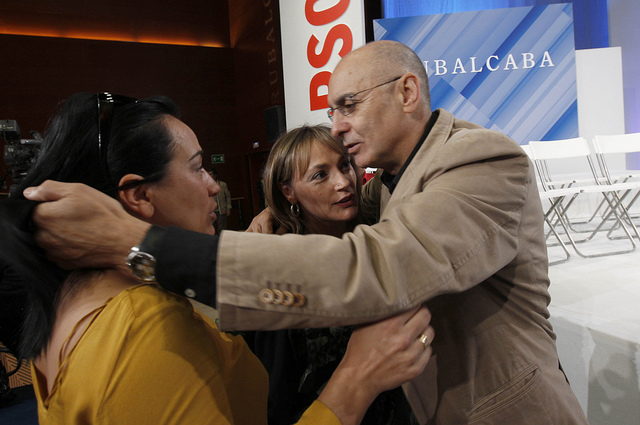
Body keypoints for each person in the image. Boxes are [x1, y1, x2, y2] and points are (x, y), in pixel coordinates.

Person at [23, 40, 588, 424]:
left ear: (407, 92)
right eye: (332, 111)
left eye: (348, 106)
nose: (336, 127)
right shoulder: (383, 186)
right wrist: (274, 220)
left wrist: (145, 248)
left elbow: (378, 266)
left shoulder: (481, 159)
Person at [0, 91, 434, 425]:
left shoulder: (64, 301)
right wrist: (357, 379)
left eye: (344, 166)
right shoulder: (143, 327)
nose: (212, 184)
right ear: (140, 196)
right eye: (197, 167)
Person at [252, 124, 415, 425]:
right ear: (288, 191)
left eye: (344, 165)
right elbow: (277, 391)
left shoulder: (381, 231)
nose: (343, 182)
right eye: (320, 175)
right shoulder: (282, 271)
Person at [209, 167, 232, 233]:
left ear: (215, 175)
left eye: (210, 174)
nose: (209, 176)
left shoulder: (222, 185)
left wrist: (228, 208)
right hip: (211, 211)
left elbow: (228, 196)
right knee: (211, 230)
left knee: (222, 230)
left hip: (221, 210)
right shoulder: (206, 185)